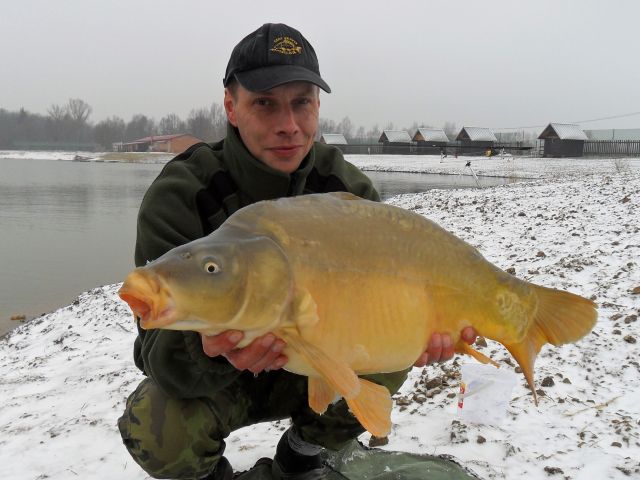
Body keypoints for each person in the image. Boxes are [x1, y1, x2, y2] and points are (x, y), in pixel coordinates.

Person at [118, 23, 477, 480]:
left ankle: (301, 457)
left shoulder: (346, 190)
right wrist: (210, 351)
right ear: (231, 105)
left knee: (386, 358)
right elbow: (154, 349)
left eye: (301, 103)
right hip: (220, 384)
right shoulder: (181, 194)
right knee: (155, 421)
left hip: (318, 359)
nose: (288, 126)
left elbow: (389, 300)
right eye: (265, 104)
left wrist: (425, 331)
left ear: (318, 106)